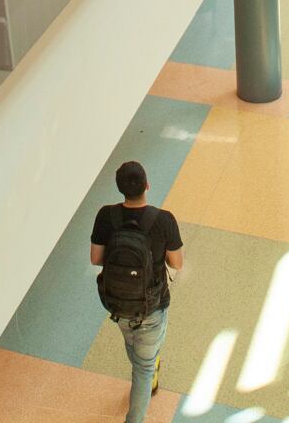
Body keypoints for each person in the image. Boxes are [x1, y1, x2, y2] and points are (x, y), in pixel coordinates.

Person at [90, 160, 184, 423]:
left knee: (133, 344)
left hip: (117, 303)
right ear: (147, 185)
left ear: (120, 189)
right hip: (151, 305)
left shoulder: (105, 215)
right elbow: (177, 263)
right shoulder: (164, 220)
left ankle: (144, 365)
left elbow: (96, 258)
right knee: (144, 367)